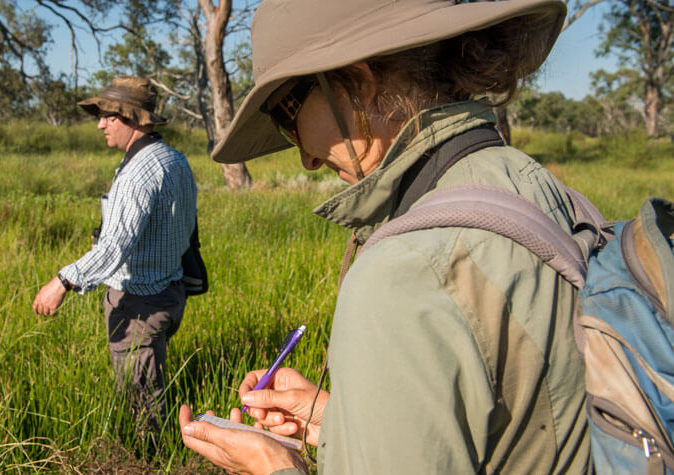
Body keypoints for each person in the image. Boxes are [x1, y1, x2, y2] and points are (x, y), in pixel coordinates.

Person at [179, 0, 591, 473]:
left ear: (358, 83)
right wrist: (344, 424)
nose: (306, 160)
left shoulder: (405, 273)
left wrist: (275, 466)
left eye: (286, 114)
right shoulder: (535, 188)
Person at [33, 75, 198, 433]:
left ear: (134, 119)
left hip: (140, 304)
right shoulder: (174, 159)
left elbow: (114, 247)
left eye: (110, 116)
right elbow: (184, 227)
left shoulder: (138, 172)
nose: (100, 124)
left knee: (143, 408)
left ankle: (149, 461)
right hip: (170, 293)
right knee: (150, 383)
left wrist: (62, 282)